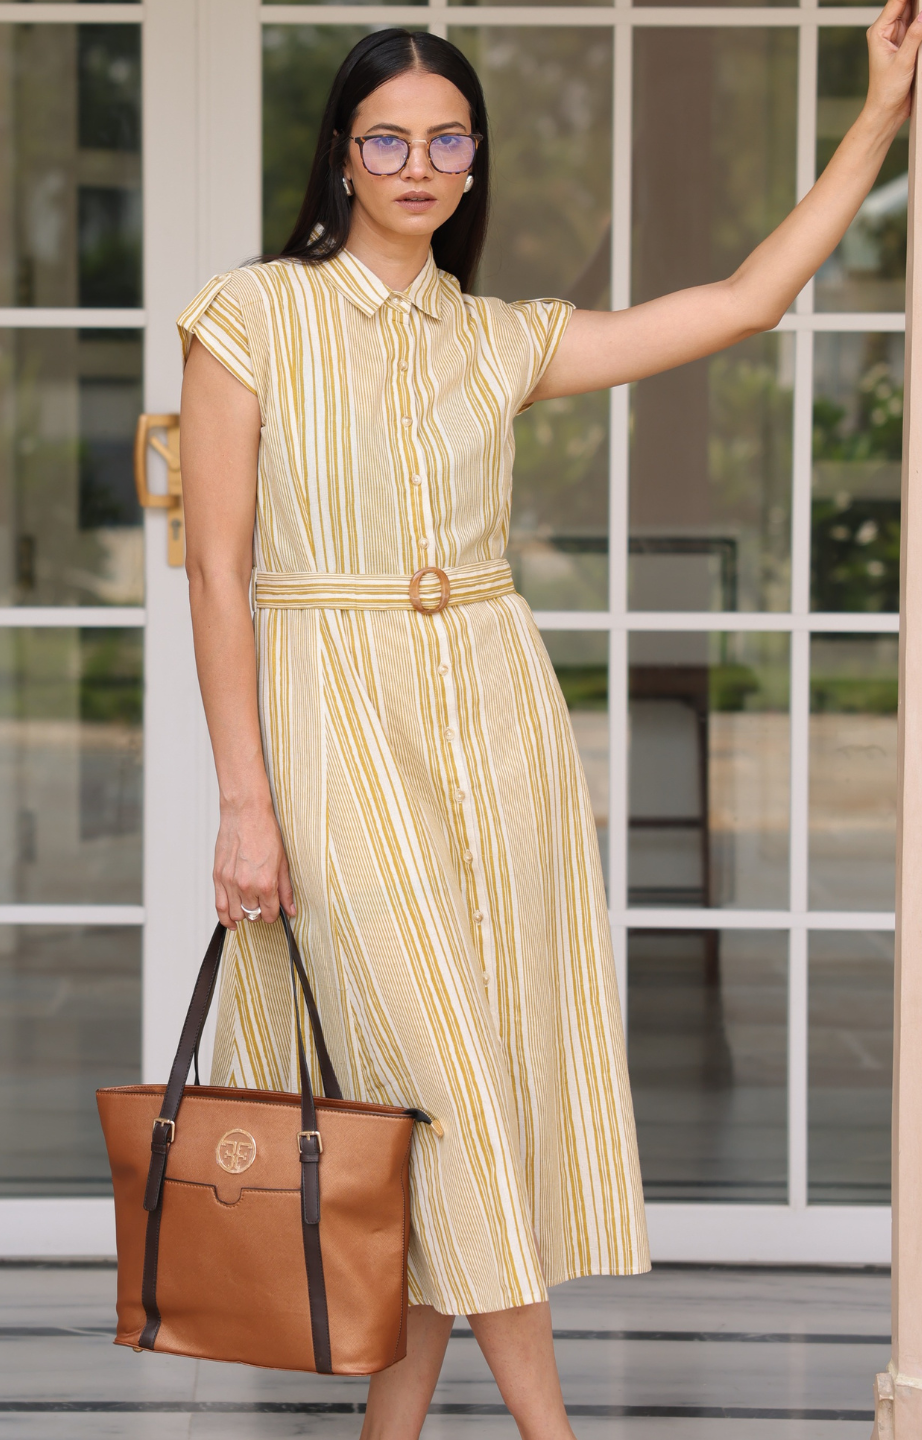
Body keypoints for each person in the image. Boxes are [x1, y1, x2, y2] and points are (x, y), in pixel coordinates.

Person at [176, 14, 920, 1437]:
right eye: (386, 136)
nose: (417, 162)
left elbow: (748, 300)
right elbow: (218, 569)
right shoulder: (250, 313)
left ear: (473, 164)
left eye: (446, 138)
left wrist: (880, 115)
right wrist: (244, 800)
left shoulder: (501, 341)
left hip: (500, 727)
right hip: (333, 724)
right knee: (440, 1077)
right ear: (344, 153)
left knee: (462, 1100)